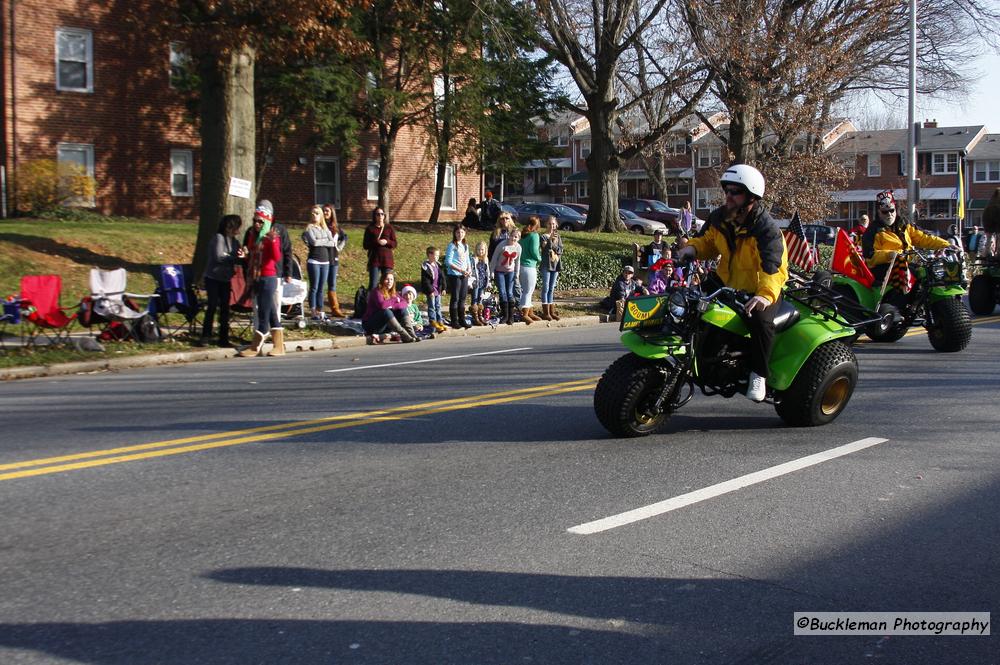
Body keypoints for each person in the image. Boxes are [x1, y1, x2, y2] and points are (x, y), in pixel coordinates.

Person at [677, 164, 788, 402]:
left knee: (760, 320)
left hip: (758, 288)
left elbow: (773, 267)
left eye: (735, 191)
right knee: (689, 303)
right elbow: (706, 241)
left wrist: (765, 294)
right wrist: (691, 249)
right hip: (726, 282)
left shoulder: (767, 230)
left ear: (751, 196)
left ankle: (759, 375)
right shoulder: (720, 218)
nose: (728, 195)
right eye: (726, 190)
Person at [861, 189, 951, 291]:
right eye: (885, 212)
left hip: (907, 263)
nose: (889, 214)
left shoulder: (903, 223)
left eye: (891, 210)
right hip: (885, 268)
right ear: (879, 212)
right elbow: (870, 256)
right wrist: (889, 255)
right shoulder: (872, 231)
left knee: (929, 273)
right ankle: (898, 303)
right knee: (914, 273)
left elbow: (923, 237)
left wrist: (946, 244)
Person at [239, 203, 285, 357]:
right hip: (256, 277)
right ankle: (280, 346)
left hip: (269, 277)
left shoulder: (272, 237)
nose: (257, 224)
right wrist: (244, 255)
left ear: (267, 222)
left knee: (263, 314)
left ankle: (255, 347)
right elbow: (252, 256)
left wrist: (272, 243)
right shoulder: (253, 235)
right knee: (272, 313)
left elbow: (277, 257)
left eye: (261, 221)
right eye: (255, 220)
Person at [198, 214, 244, 348]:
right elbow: (218, 257)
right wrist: (233, 257)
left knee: (225, 308)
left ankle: (223, 337)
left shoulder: (235, 242)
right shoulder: (218, 238)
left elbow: (237, 257)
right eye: (237, 226)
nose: (239, 229)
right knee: (212, 305)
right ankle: (206, 335)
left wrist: (240, 256)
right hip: (213, 278)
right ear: (230, 227)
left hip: (225, 279)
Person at [362, 271, 417, 344]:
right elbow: (382, 305)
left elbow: (404, 303)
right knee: (386, 311)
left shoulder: (393, 292)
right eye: (387, 279)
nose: (389, 282)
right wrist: (394, 301)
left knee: (402, 310)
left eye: (391, 279)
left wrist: (393, 305)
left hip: (386, 325)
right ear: (382, 280)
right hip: (372, 325)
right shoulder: (377, 291)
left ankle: (412, 334)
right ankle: (404, 334)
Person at [301, 205, 336, 320]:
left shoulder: (325, 229)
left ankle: (320, 310)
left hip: (325, 261)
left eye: (317, 213)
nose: (315, 215)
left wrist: (322, 241)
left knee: (322, 287)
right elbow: (314, 243)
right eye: (313, 213)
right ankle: (312, 310)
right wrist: (325, 241)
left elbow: (332, 243)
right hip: (314, 261)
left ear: (321, 215)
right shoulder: (309, 228)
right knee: (314, 287)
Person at [490, 227, 522, 325]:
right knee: (503, 292)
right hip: (500, 271)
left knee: (509, 292)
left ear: (518, 238)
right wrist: (491, 271)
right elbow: (494, 258)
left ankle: (511, 316)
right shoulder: (502, 245)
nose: (513, 238)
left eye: (516, 237)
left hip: (510, 271)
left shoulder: (518, 247)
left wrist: (517, 273)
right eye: (512, 236)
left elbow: (517, 261)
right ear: (509, 236)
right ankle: (505, 315)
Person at [444, 224, 473, 329]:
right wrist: (460, 270)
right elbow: (448, 262)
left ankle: (462, 319)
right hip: (455, 275)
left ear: (465, 233)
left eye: (462, 232)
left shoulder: (465, 245)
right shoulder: (452, 245)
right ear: (454, 233)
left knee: (463, 297)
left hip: (464, 274)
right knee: (455, 297)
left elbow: (467, 259)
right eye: (458, 232)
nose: (460, 234)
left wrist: (469, 269)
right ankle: (454, 320)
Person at [322, 204, 348, 317]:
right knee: (320, 284)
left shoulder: (336, 227)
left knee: (332, 284)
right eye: (323, 211)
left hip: (333, 258)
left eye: (327, 211)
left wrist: (339, 247)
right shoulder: (319, 226)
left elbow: (345, 237)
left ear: (332, 212)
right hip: (322, 258)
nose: (325, 213)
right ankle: (318, 309)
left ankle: (335, 309)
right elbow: (306, 235)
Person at [363, 207, 397, 291]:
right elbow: (365, 245)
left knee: (387, 284)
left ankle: (386, 302)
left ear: (384, 216)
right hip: (374, 260)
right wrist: (376, 242)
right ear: (374, 216)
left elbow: (395, 243)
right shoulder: (370, 228)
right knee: (373, 284)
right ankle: (372, 302)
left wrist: (387, 242)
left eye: (382, 214)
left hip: (387, 260)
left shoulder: (389, 228)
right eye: (378, 214)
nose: (380, 216)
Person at [538, 216, 563, 320]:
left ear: (556, 225)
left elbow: (560, 250)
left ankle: (551, 311)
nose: (552, 226)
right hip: (546, 265)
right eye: (550, 224)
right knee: (546, 287)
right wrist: (550, 240)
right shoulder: (543, 236)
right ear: (546, 224)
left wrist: (553, 245)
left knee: (552, 288)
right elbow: (545, 247)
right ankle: (545, 312)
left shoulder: (558, 236)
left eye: (553, 224)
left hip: (555, 264)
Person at [518, 216, 542, 322]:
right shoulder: (534, 235)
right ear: (537, 225)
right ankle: (525, 313)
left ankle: (530, 312)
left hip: (521, 266)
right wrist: (540, 258)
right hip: (530, 266)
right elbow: (534, 251)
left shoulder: (523, 235)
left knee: (525, 290)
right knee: (528, 291)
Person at [421, 246, 447, 333]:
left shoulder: (438, 265)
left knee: (438, 306)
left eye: (438, 255)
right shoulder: (425, 267)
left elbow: (442, 278)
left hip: (438, 290)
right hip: (431, 291)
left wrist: (443, 288)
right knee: (432, 307)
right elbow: (425, 281)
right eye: (435, 255)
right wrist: (430, 291)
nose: (437, 257)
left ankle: (440, 322)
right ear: (429, 255)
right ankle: (433, 324)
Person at [469, 241, 491, 326]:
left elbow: (487, 271)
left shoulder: (486, 259)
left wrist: (488, 282)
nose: (480, 251)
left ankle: (480, 316)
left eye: (482, 250)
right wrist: (470, 281)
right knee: (474, 299)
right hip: (476, 283)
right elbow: (471, 270)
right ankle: (475, 317)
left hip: (483, 282)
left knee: (480, 299)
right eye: (479, 249)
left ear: (485, 250)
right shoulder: (474, 259)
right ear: (476, 250)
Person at [983, 187, 1000, 257]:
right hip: (997, 216)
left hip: (987, 219)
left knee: (989, 237)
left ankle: (987, 252)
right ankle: (998, 252)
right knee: (999, 235)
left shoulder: (989, 204)